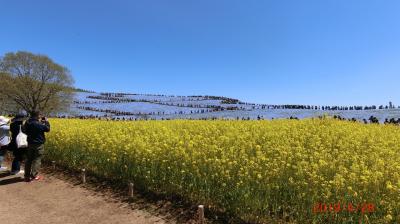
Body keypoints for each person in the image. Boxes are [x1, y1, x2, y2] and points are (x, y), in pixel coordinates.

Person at [24, 111, 50, 182]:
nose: (40, 116)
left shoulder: (27, 122)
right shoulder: (38, 124)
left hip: (29, 143)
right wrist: (46, 122)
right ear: (37, 115)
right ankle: (34, 175)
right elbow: (47, 129)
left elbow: (24, 130)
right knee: (37, 159)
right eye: (40, 115)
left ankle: (26, 176)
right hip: (38, 144)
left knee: (29, 159)